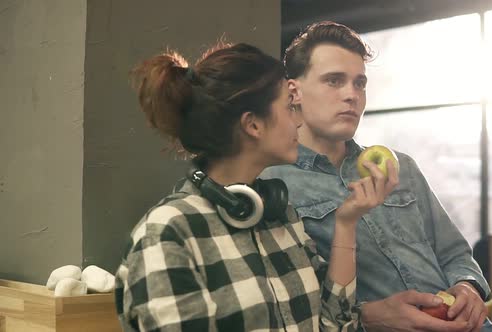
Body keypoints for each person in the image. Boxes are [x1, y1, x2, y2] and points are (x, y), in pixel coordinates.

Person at [114, 41, 400, 331]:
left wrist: (346, 222)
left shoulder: (280, 216)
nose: (298, 122)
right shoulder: (167, 234)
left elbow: (335, 325)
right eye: (289, 108)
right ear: (253, 125)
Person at [261, 21, 492, 332]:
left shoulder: (401, 166)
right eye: (334, 81)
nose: (351, 95)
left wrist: (467, 287)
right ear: (294, 92)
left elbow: (455, 253)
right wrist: (370, 316)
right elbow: (289, 304)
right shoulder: (271, 186)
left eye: (359, 84)